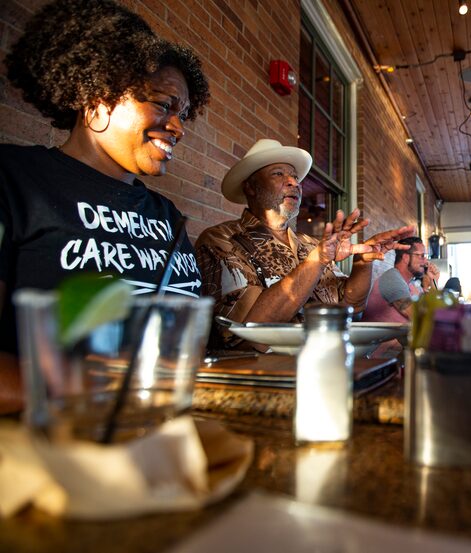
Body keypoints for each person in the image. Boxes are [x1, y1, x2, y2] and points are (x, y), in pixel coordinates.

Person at [0, 0, 210, 408]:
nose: (179, 128)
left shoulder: (167, 216)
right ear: (97, 94)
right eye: (164, 104)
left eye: (184, 113)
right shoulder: (13, 180)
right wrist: (94, 390)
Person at [195, 139, 414, 349]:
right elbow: (248, 330)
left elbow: (351, 305)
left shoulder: (310, 244)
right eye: (278, 174)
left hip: (327, 357)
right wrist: (317, 260)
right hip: (264, 374)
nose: (294, 182)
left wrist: (363, 262)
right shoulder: (221, 239)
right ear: (251, 187)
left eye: (294, 176)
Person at [362, 236, 440, 322]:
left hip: (403, 335)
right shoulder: (391, 278)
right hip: (378, 336)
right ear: (406, 258)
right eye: (421, 256)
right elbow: (419, 316)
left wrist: (433, 281)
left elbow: (434, 311)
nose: (426, 262)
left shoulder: (412, 285)